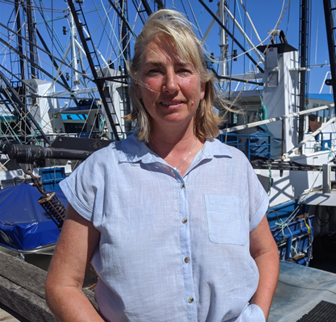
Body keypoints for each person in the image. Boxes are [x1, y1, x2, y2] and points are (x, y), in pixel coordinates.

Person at [45, 9, 279, 322]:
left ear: (202, 87)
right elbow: (62, 284)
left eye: (183, 69)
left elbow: (265, 251)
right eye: (155, 71)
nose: (170, 85)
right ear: (138, 87)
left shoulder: (235, 166)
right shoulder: (101, 172)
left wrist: (258, 314)